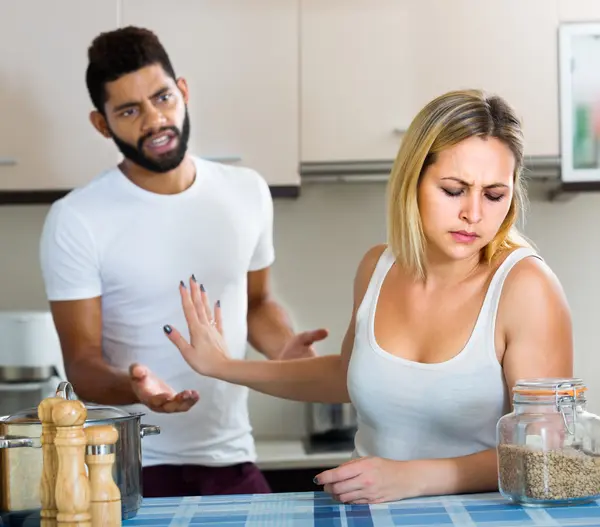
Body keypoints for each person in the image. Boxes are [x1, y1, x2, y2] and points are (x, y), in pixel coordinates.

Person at [163, 89, 574, 504]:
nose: (474, 213)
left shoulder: (525, 287)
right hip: (371, 516)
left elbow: (544, 454)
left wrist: (415, 479)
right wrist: (223, 366)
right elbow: (346, 376)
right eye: (454, 190)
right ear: (412, 180)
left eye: (494, 195)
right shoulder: (378, 267)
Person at [38, 26, 327, 498]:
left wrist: (284, 355)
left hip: (233, 457)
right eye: (130, 111)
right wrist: (137, 389)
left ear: (184, 91)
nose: (155, 120)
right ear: (101, 123)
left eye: (163, 97)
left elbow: (256, 303)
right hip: (127, 466)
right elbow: (82, 361)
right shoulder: (76, 219)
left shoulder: (246, 191)